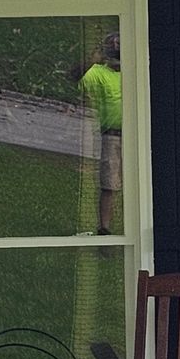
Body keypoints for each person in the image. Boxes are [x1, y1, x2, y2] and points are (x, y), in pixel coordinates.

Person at [77, 32, 121, 235]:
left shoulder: (137, 71)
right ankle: (105, 229)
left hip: (136, 135)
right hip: (112, 135)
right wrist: (90, 60)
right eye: (112, 46)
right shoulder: (99, 72)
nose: (116, 48)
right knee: (109, 183)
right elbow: (75, 76)